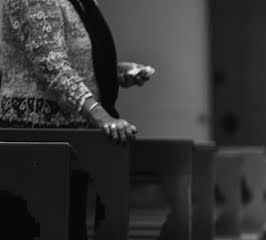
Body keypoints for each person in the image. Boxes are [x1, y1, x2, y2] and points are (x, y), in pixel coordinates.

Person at [0, 0, 154, 142]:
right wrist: (102, 117)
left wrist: (108, 72)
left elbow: (68, 53)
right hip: (38, 132)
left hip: (74, 130)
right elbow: (51, 64)